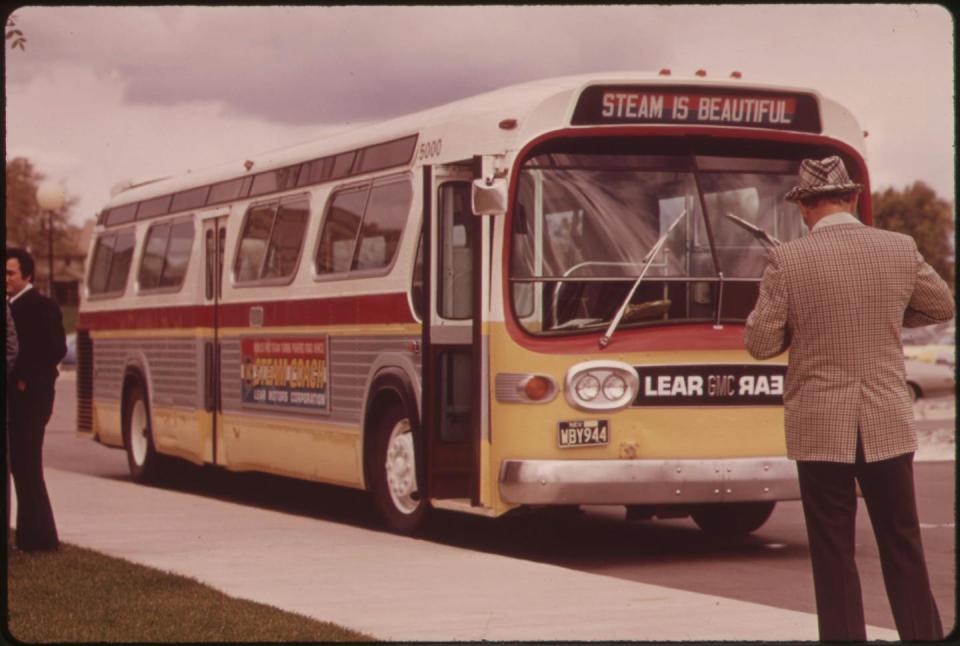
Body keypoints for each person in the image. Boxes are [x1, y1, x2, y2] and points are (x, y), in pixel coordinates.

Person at [744, 156, 953, 641]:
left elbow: (759, 344)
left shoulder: (788, 259)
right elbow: (941, 304)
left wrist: (800, 326)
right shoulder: (899, 248)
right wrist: (884, 318)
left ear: (804, 208)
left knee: (833, 549)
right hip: (886, 418)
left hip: (820, 424)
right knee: (903, 541)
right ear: (853, 198)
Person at [6, 247, 67, 552]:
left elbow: (55, 348)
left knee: (29, 465)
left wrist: (24, 377)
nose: (5, 279)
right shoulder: (10, 305)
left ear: (27, 275)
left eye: (10, 273)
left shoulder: (41, 306)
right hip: (17, 400)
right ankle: (30, 537)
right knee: (21, 465)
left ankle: (42, 539)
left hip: (34, 397)